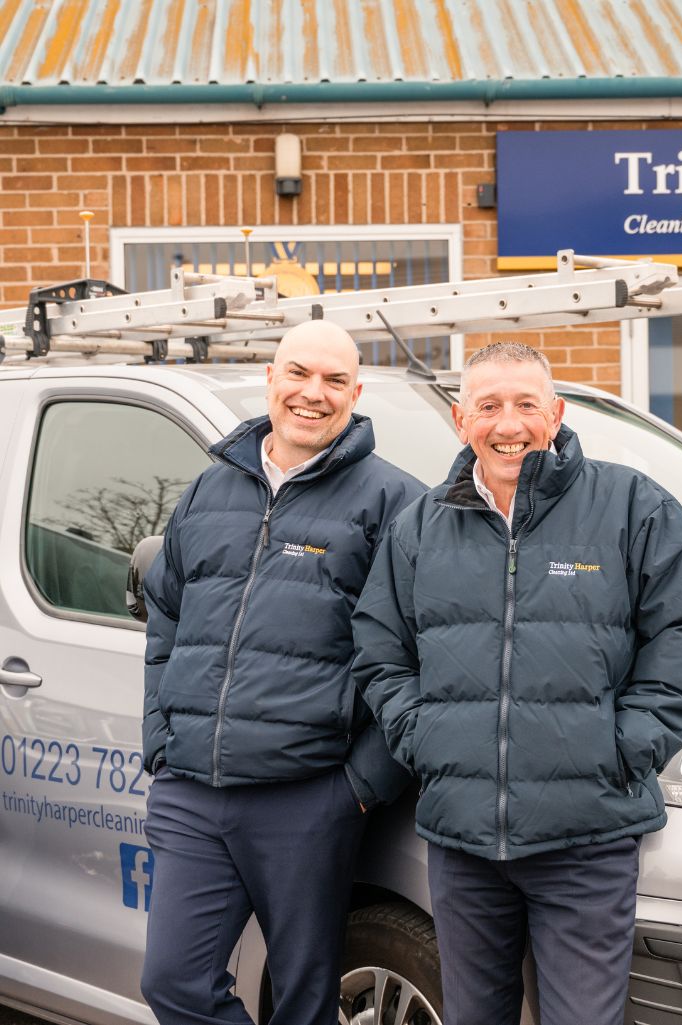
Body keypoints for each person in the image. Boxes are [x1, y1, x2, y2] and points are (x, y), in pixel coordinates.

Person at [352, 342, 682, 1025]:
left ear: (554, 414)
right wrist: (424, 737)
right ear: (462, 419)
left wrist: (620, 747)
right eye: (489, 406)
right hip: (463, 844)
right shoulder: (419, 529)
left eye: (525, 404)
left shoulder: (630, 506)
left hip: (586, 840)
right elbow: (379, 648)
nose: (508, 423)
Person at [140, 320, 424, 1025]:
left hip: (308, 796)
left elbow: (424, 655)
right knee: (172, 982)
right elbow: (166, 618)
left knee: (304, 1000)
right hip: (193, 790)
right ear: (271, 377)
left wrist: (360, 784)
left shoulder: (395, 502)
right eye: (299, 373)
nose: (312, 393)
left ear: (355, 394)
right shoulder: (209, 491)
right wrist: (160, 737)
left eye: (333, 380)